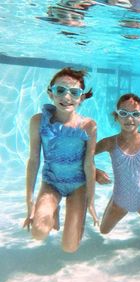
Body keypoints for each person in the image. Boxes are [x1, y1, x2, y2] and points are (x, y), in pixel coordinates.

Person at [23, 67, 98, 253]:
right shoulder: (38, 121)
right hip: (51, 183)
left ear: (81, 97)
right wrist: (29, 201)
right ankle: (53, 207)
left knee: (70, 247)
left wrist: (90, 200)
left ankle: (77, 222)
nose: (67, 97)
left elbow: (89, 164)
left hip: (78, 185)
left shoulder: (88, 126)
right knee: (38, 233)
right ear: (51, 93)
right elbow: (33, 160)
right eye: (60, 90)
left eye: (74, 92)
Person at [95, 93, 140, 234]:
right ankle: (113, 197)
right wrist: (94, 172)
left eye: (135, 114)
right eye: (123, 113)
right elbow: (84, 155)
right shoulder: (109, 142)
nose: (129, 118)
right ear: (116, 117)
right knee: (103, 230)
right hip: (119, 201)